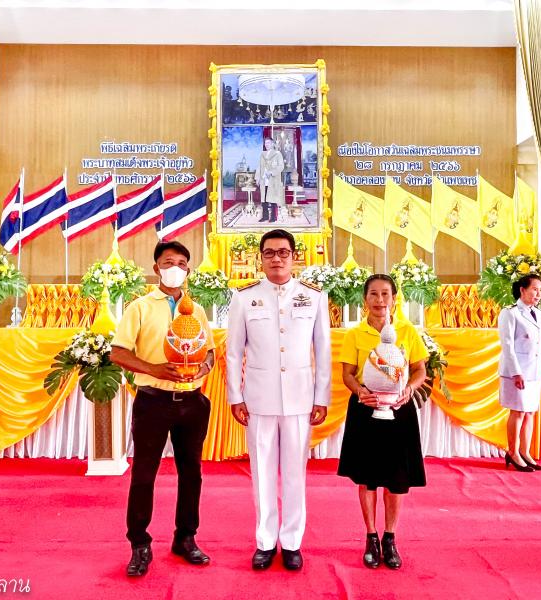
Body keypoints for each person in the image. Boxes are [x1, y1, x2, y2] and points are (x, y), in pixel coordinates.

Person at [225, 228, 331, 571]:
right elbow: (232, 352)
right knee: (262, 473)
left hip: (301, 398)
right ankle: (265, 541)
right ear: (261, 258)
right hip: (258, 398)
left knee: (295, 474)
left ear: (294, 256)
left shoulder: (314, 296)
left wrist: (321, 396)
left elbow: (323, 351)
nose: (276, 259)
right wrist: (235, 396)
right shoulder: (244, 297)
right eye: (269, 253)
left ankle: (292, 542)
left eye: (283, 252)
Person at [110, 240, 215, 577]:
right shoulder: (139, 307)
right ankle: (139, 543)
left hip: (191, 401)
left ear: (188, 270)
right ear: (156, 268)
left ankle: (185, 537)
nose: (176, 267)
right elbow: (118, 353)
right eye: (169, 261)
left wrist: (204, 367)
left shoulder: (196, 310)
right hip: (153, 401)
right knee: (144, 475)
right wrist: (153, 368)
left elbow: (209, 351)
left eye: (183, 263)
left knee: (192, 474)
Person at [337, 274, 428, 570]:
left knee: (396, 478)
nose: (379, 301)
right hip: (365, 409)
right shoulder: (355, 334)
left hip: (399, 411)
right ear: (365, 299)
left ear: (394, 298)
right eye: (373, 294)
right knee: (367, 477)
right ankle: (370, 536)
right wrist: (360, 391)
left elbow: (419, 371)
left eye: (385, 294)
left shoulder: (406, 330)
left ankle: (390, 537)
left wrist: (409, 390)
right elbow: (348, 374)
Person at [497, 274, 541, 472]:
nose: (538, 294)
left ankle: (525, 451)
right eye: (535, 289)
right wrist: (516, 373)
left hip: (534, 371)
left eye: (540, 290)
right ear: (522, 290)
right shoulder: (510, 313)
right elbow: (507, 346)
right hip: (517, 371)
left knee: (530, 412)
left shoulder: (538, 314)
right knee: (518, 411)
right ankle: (513, 452)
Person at [255, 137, 285, 223]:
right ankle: (265, 216)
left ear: (272, 144)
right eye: (265, 143)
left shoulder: (277, 154)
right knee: (264, 199)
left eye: (268, 143)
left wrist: (272, 172)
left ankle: (273, 217)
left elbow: (281, 166)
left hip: (273, 180)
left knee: (273, 199)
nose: (266, 144)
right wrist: (257, 178)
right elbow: (259, 167)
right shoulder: (262, 154)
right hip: (263, 179)